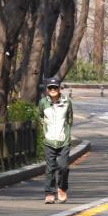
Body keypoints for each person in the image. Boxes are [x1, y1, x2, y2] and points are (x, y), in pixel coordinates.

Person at [38, 76, 73, 204]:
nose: (53, 89)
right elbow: (40, 117)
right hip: (49, 140)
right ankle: (49, 193)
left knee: (63, 167)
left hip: (63, 140)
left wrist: (67, 134)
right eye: (50, 87)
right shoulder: (43, 102)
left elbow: (70, 119)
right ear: (47, 89)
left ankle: (62, 188)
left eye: (55, 87)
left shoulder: (67, 102)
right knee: (50, 168)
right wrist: (45, 132)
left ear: (59, 88)